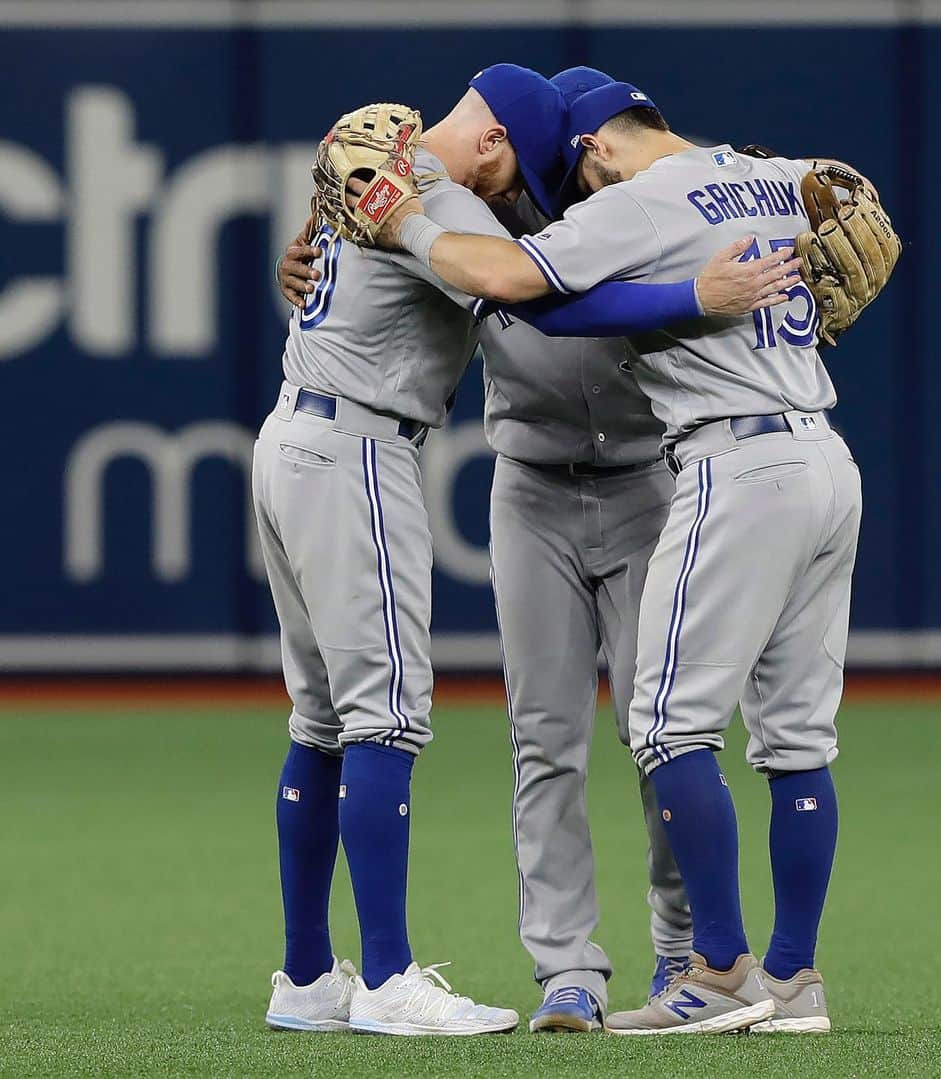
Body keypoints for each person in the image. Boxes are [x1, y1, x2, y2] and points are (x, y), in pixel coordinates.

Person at [262, 67, 802, 1036]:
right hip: (477, 473)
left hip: (626, 483)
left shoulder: (407, 167)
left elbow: (378, 277)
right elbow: (528, 297)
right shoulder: (464, 206)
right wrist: (694, 295)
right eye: (534, 177)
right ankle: (502, 973)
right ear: (511, 144)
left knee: (662, 732)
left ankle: (683, 954)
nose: (534, 197)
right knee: (481, 729)